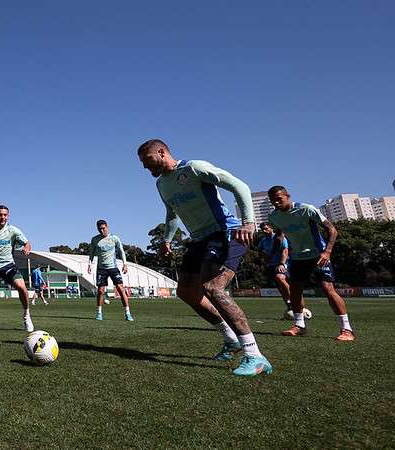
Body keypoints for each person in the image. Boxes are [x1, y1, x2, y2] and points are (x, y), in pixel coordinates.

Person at [138, 139, 271, 377]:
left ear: (161, 152)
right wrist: (167, 240)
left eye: (147, 160)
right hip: (199, 239)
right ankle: (231, 339)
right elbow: (171, 215)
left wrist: (249, 223)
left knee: (214, 288)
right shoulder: (161, 185)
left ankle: (255, 355)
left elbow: (239, 186)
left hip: (226, 232)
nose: (145, 167)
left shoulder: (194, 168)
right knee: (187, 292)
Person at [267, 186, 355, 341]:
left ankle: (347, 329)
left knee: (328, 289)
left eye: (279, 199)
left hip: (318, 256)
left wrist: (327, 251)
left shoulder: (306, 209)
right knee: (295, 290)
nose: (276, 202)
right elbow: (280, 233)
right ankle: (299, 326)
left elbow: (332, 230)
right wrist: (277, 245)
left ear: (288, 196)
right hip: (297, 258)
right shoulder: (274, 217)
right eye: (272, 200)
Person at [88, 219, 133, 321]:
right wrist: (89, 264)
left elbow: (121, 251)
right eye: (99, 229)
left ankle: (127, 313)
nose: (102, 231)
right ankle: (99, 313)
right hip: (101, 268)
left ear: (107, 227)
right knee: (100, 291)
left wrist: (125, 264)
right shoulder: (95, 240)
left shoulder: (114, 238)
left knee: (120, 288)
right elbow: (91, 253)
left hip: (113, 267)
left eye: (103, 228)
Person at [256, 222, 296, 317]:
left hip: (283, 263)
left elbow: (285, 251)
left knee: (280, 278)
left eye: (266, 229)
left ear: (271, 228)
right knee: (280, 288)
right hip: (271, 265)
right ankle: (289, 306)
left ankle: (294, 302)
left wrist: (281, 263)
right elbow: (259, 251)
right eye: (262, 230)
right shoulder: (263, 241)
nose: (264, 231)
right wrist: (264, 256)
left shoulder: (279, 237)